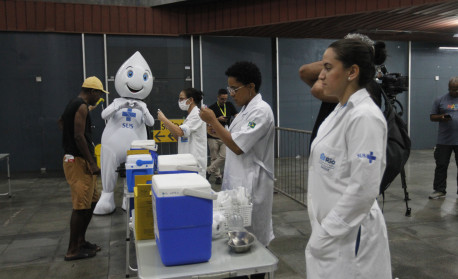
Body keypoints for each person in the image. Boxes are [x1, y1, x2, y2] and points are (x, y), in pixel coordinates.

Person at [306, 39, 391, 278]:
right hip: (331, 233)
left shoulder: (365, 117)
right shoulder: (340, 111)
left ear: (352, 71)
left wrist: (327, 232)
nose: (320, 75)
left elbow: (364, 188)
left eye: (328, 68)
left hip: (350, 235)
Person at [200, 61, 275, 279]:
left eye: (235, 89)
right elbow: (232, 139)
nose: (231, 93)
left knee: (256, 246)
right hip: (238, 183)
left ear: (250, 86)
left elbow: (238, 146)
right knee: (237, 240)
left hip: (253, 184)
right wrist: (217, 129)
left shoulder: (261, 111)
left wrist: (213, 119)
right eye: (230, 88)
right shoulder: (244, 112)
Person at [299, 34, 386, 143]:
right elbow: (304, 72)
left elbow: (317, 89)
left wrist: (336, 62)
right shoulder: (339, 84)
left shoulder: (366, 87)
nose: (322, 76)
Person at [58, 76, 107, 261]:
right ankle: (72, 250)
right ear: (92, 91)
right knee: (80, 206)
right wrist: (92, 162)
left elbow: (61, 122)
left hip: (78, 159)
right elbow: (79, 137)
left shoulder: (74, 103)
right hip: (78, 161)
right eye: (99, 93)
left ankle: (80, 241)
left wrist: (68, 138)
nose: (99, 97)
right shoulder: (81, 106)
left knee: (92, 200)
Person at [157, 88, 207, 177]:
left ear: (190, 100)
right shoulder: (189, 117)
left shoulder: (197, 115)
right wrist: (166, 123)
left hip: (195, 163)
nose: (179, 101)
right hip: (186, 161)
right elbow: (178, 136)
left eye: (181, 98)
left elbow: (180, 132)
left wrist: (164, 119)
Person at [429, 77, 458, 199]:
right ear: (448, 88)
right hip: (444, 140)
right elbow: (432, 117)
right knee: (441, 165)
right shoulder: (440, 100)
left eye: (456, 89)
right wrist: (441, 117)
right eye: (452, 89)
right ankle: (439, 190)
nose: (454, 92)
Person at [206, 88, 238, 184]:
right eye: (222, 99)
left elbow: (236, 114)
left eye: (225, 99)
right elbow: (208, 121)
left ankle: (208, 170)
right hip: (212, 135)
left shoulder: (229, 105)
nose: (224, 101)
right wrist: (217, 119)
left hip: (224, 135)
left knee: (224, 156)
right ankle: (218, 176)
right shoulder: (211, 108)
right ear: (218, 97)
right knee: (214, 157)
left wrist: (238, 118)